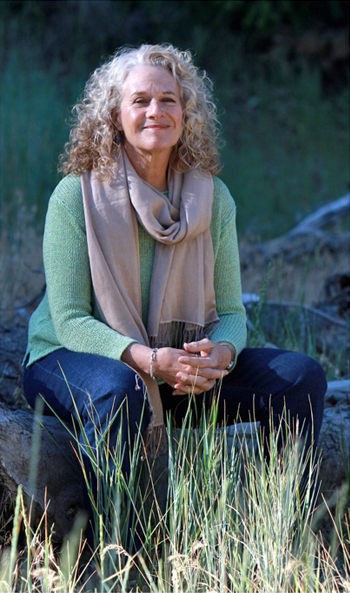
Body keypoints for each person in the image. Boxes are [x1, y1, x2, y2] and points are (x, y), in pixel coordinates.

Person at [22, 43, 326, 546]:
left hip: (176, 366)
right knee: (123, 389)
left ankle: (286, 538)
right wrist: (147, 360)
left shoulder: (213, 199)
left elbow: (230, 312)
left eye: (168, 99)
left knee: (300, 378)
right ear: (115, 117)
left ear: (186, 113)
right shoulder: (74, 197)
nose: (155, 111)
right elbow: (71, 319)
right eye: (140, 100)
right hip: (69, 359)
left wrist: (221, 354)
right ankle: (126, 557)